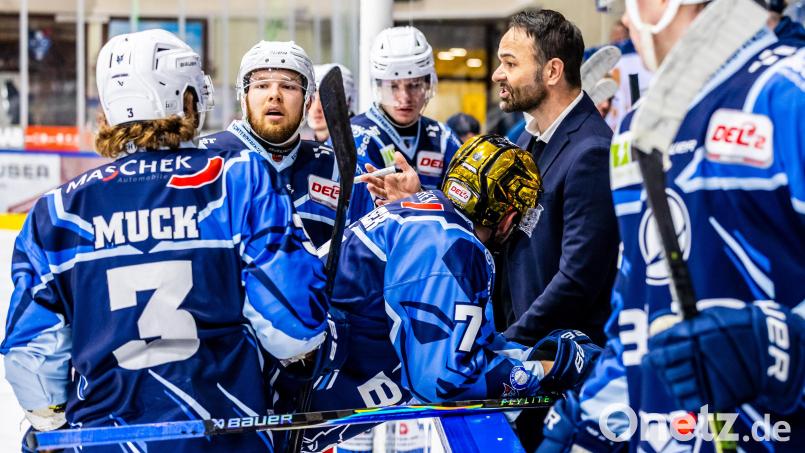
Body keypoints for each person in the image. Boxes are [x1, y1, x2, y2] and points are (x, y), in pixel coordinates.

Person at [0, 29, 331, 452]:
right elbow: (295, 329)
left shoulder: (58, 211)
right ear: (187, 98)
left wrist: (52, 418)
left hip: (104, 440)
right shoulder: (238, 179)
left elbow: (30, 362)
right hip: (222, 436)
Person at [539, 0, 805, 451]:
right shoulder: (636, 130)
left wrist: (782, 348)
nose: (625, 15)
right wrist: (589, 420)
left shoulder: (788, 91)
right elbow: (637, 320)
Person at [302, 135, 604, 453]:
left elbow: (466, 345)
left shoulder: (425, 214)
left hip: (297, 391)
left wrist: (535, 357)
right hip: (286, 398)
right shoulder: (455, 247)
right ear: (510, 218)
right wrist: (542, 371)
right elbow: (443, 383)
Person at [492, 9, 618, 347]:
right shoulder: (525, 140)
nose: (496, 74)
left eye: (510, 64)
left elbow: (578, 279)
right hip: (523, 356)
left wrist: (507, 343)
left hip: (560, 362)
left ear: (552, 71)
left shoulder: (592, 151)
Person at [199, 41, 373, 249]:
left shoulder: (338, 169)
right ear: (243, 98)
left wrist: (402, 202)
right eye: (262, 85)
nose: (275, 95)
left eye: (289, 86)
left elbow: (366, 258)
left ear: (307, 101)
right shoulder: (204, 159)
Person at [351, 26, 463, 191]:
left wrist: (417, 196)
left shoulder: (443, 137)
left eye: (415, 85)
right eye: (393, 87)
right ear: (379, 87)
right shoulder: (354, 135)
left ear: (428, 84)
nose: (405, 97)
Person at [307, 63, 357, 143]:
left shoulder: (360, 144)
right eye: (311, 98)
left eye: (326, 99)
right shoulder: (306, 149)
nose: (316, 108)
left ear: (347, 102)